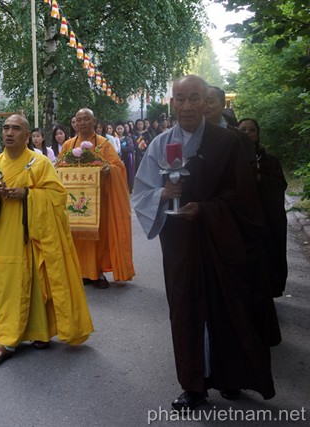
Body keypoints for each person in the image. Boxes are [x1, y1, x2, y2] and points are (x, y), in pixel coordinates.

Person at [132, 75, 279, 411]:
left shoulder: (227, 142)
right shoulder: (160, 144)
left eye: (194, 98)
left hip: (221, 238)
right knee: (185, 308)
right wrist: (162, 193)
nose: (186, 106)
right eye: (180, 99)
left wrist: (207, 209)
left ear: (206, 101)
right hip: (180, 241)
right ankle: (193, 385)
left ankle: (232, 376)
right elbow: (141, 193)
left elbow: (244, 198)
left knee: (228, 304)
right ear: (172, 103)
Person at [0, 114, 93, 363]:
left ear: (27, 135)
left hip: (36, 236)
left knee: (38, 283)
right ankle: (6, 340)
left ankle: (41, 331)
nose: (9, 133)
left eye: (16, 128)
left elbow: (57, 197)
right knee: (6, 288)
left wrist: (27, 194)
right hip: (5, 237)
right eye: (6, 128)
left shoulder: (40, 163)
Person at [59, 108, 135, 288]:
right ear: (75, 123)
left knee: (98, 237)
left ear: (94, 122)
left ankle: (98, 272)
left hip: (99, 200)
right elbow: (59, 166)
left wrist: (109, 169)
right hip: (75, 201)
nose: (82, 122)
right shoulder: (68, 145)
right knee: (78, 236)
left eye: (86, 119)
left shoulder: (103, 144)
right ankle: (82, 272)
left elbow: (118, 167)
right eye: (79, 119)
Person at [238, 118, 288, 297]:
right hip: (242, 217)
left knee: (268, 255)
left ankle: (267, 293)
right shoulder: (231, 158)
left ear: (257, 134)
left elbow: (280, 185)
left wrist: (260, 179)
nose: (247, 133)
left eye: (251, 130)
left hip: (267, 217)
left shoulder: (269, 161)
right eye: (243, 130)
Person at [115, 122, 135, 192]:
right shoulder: (114, 138)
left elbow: (131, 148)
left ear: (124, 129)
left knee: (126, 173)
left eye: (121, 128)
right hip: (116, 158)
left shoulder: (128, 138)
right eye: (118, 129)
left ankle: (127, 187)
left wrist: (121, 149)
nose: (119, 130)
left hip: (126, 158)